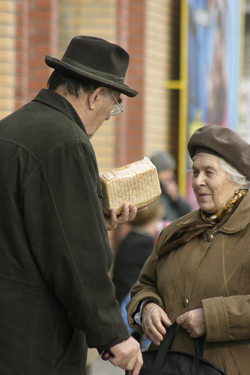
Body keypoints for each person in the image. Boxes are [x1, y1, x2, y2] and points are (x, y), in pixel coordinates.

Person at [0, 36, 143, 375]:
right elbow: (75, 256)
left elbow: (23, 225)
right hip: (37, 345)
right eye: (115, 104)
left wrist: (95, 219)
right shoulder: (67, 141)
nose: (111, 115)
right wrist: (114, 334)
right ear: (96, 96)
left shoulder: (10, 128)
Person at [127, 124, 250, 375]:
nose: (198, 181)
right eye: (195, 171)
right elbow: (143, 286)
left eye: (209, 172)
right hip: (168, 365)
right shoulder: (176, 230)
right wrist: (146, 308)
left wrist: (213, 318)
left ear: (237, 180)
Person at [150, 151, 192, 221]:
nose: (171, 175)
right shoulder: (154, 196)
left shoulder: (169, 193)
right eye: (167, 171)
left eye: (171, 171)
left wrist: (176, 198)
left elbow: (188, 214)